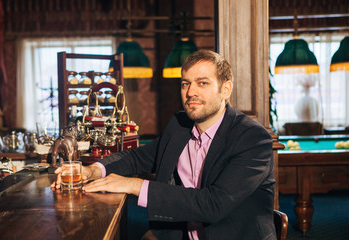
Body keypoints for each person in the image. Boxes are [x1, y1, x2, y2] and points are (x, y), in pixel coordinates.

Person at [52, 50, 276, 240]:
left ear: (225, 89)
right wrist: (91, 170)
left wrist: (134, 185)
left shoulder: (252, 138)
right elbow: (138, 157)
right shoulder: (179, 125)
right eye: (185, 84)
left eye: (203, 83)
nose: (191, 92)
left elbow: (213, 205)